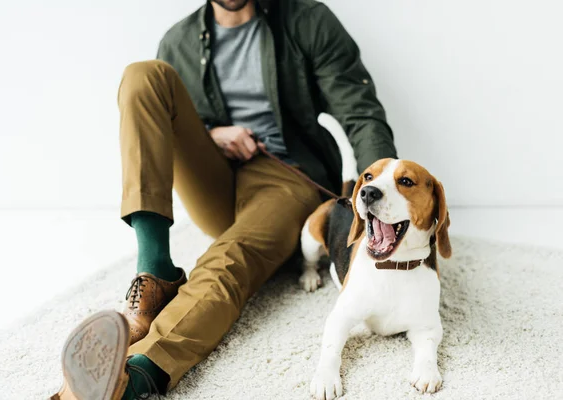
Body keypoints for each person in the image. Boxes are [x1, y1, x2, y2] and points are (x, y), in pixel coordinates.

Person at [50, 0, 397, 399]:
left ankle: (137, 376)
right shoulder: (178, 41)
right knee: (142, 76)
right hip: (214, 180)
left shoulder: (306, 21)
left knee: (229, 256)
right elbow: (169, 128)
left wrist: (386, 199)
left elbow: (360, 112)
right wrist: (212, 134)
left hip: (285, 176)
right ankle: (155, 271)